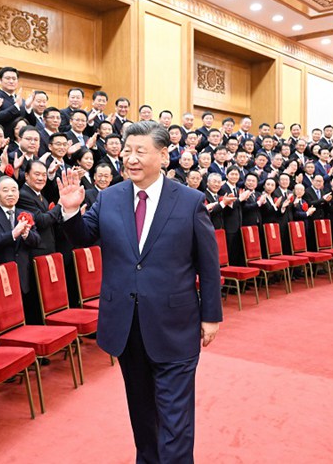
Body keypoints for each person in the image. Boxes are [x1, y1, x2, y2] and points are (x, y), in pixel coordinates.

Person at [57, 120, 222, 463]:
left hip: (176, 324)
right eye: (126, 151)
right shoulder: (110, 196)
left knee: (176, 417)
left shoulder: (190, 201)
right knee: (142, 411)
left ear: (163, 155)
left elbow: (208, 265)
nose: (130, 158)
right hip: (127, 325)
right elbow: (84, 237)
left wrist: (211, 316)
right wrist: (71, 210)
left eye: (140, 151)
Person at [0, 175, 41, 323]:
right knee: (0, 319)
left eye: (14, 190)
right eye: (5, 190)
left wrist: (27, 234)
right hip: (0, 273)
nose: (10, 194)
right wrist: (13, 234)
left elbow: (37, 240)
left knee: (24, 316)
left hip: (22, 273)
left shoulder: (26, 214)